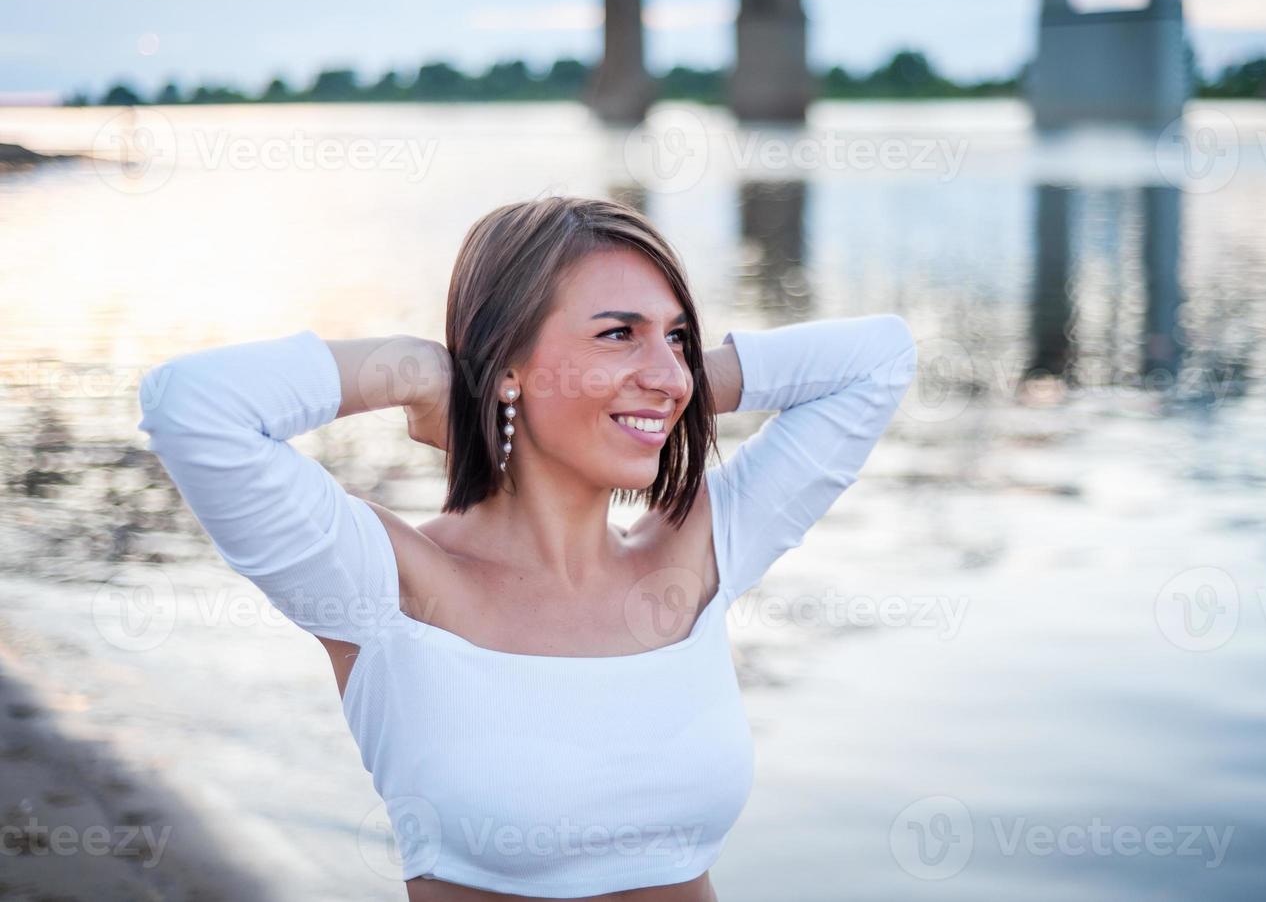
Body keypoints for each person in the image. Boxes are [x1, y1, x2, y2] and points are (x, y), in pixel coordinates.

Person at [136, 195, 918, 902]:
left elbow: (879, 358)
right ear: (504, 362)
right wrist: (424, 373)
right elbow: (193, 406)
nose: (668, 370)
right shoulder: (389, 588)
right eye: (617, 332)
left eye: (677, 337)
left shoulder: (698, 557)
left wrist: (645, 386)